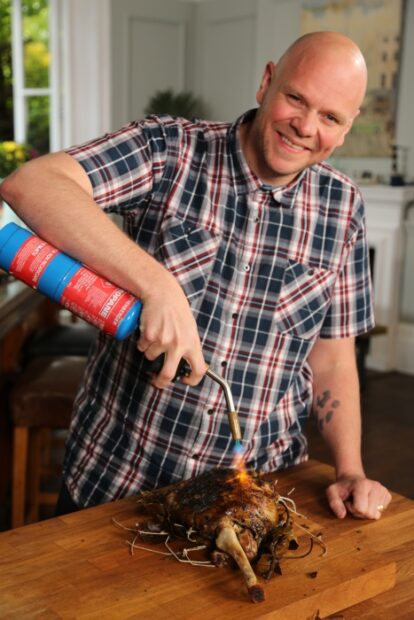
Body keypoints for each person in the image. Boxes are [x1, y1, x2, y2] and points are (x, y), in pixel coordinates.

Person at [1, 31, 392, 520]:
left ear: (348, 126)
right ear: (267, 82)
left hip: (252, 500)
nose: (305, 126)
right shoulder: (169, 149)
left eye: (330, 117)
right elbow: (31, 184)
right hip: (118, 487)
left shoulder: (344, 207)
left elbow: (332, 357)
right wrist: (156, 284)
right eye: (296, 98)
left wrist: (350, 469)